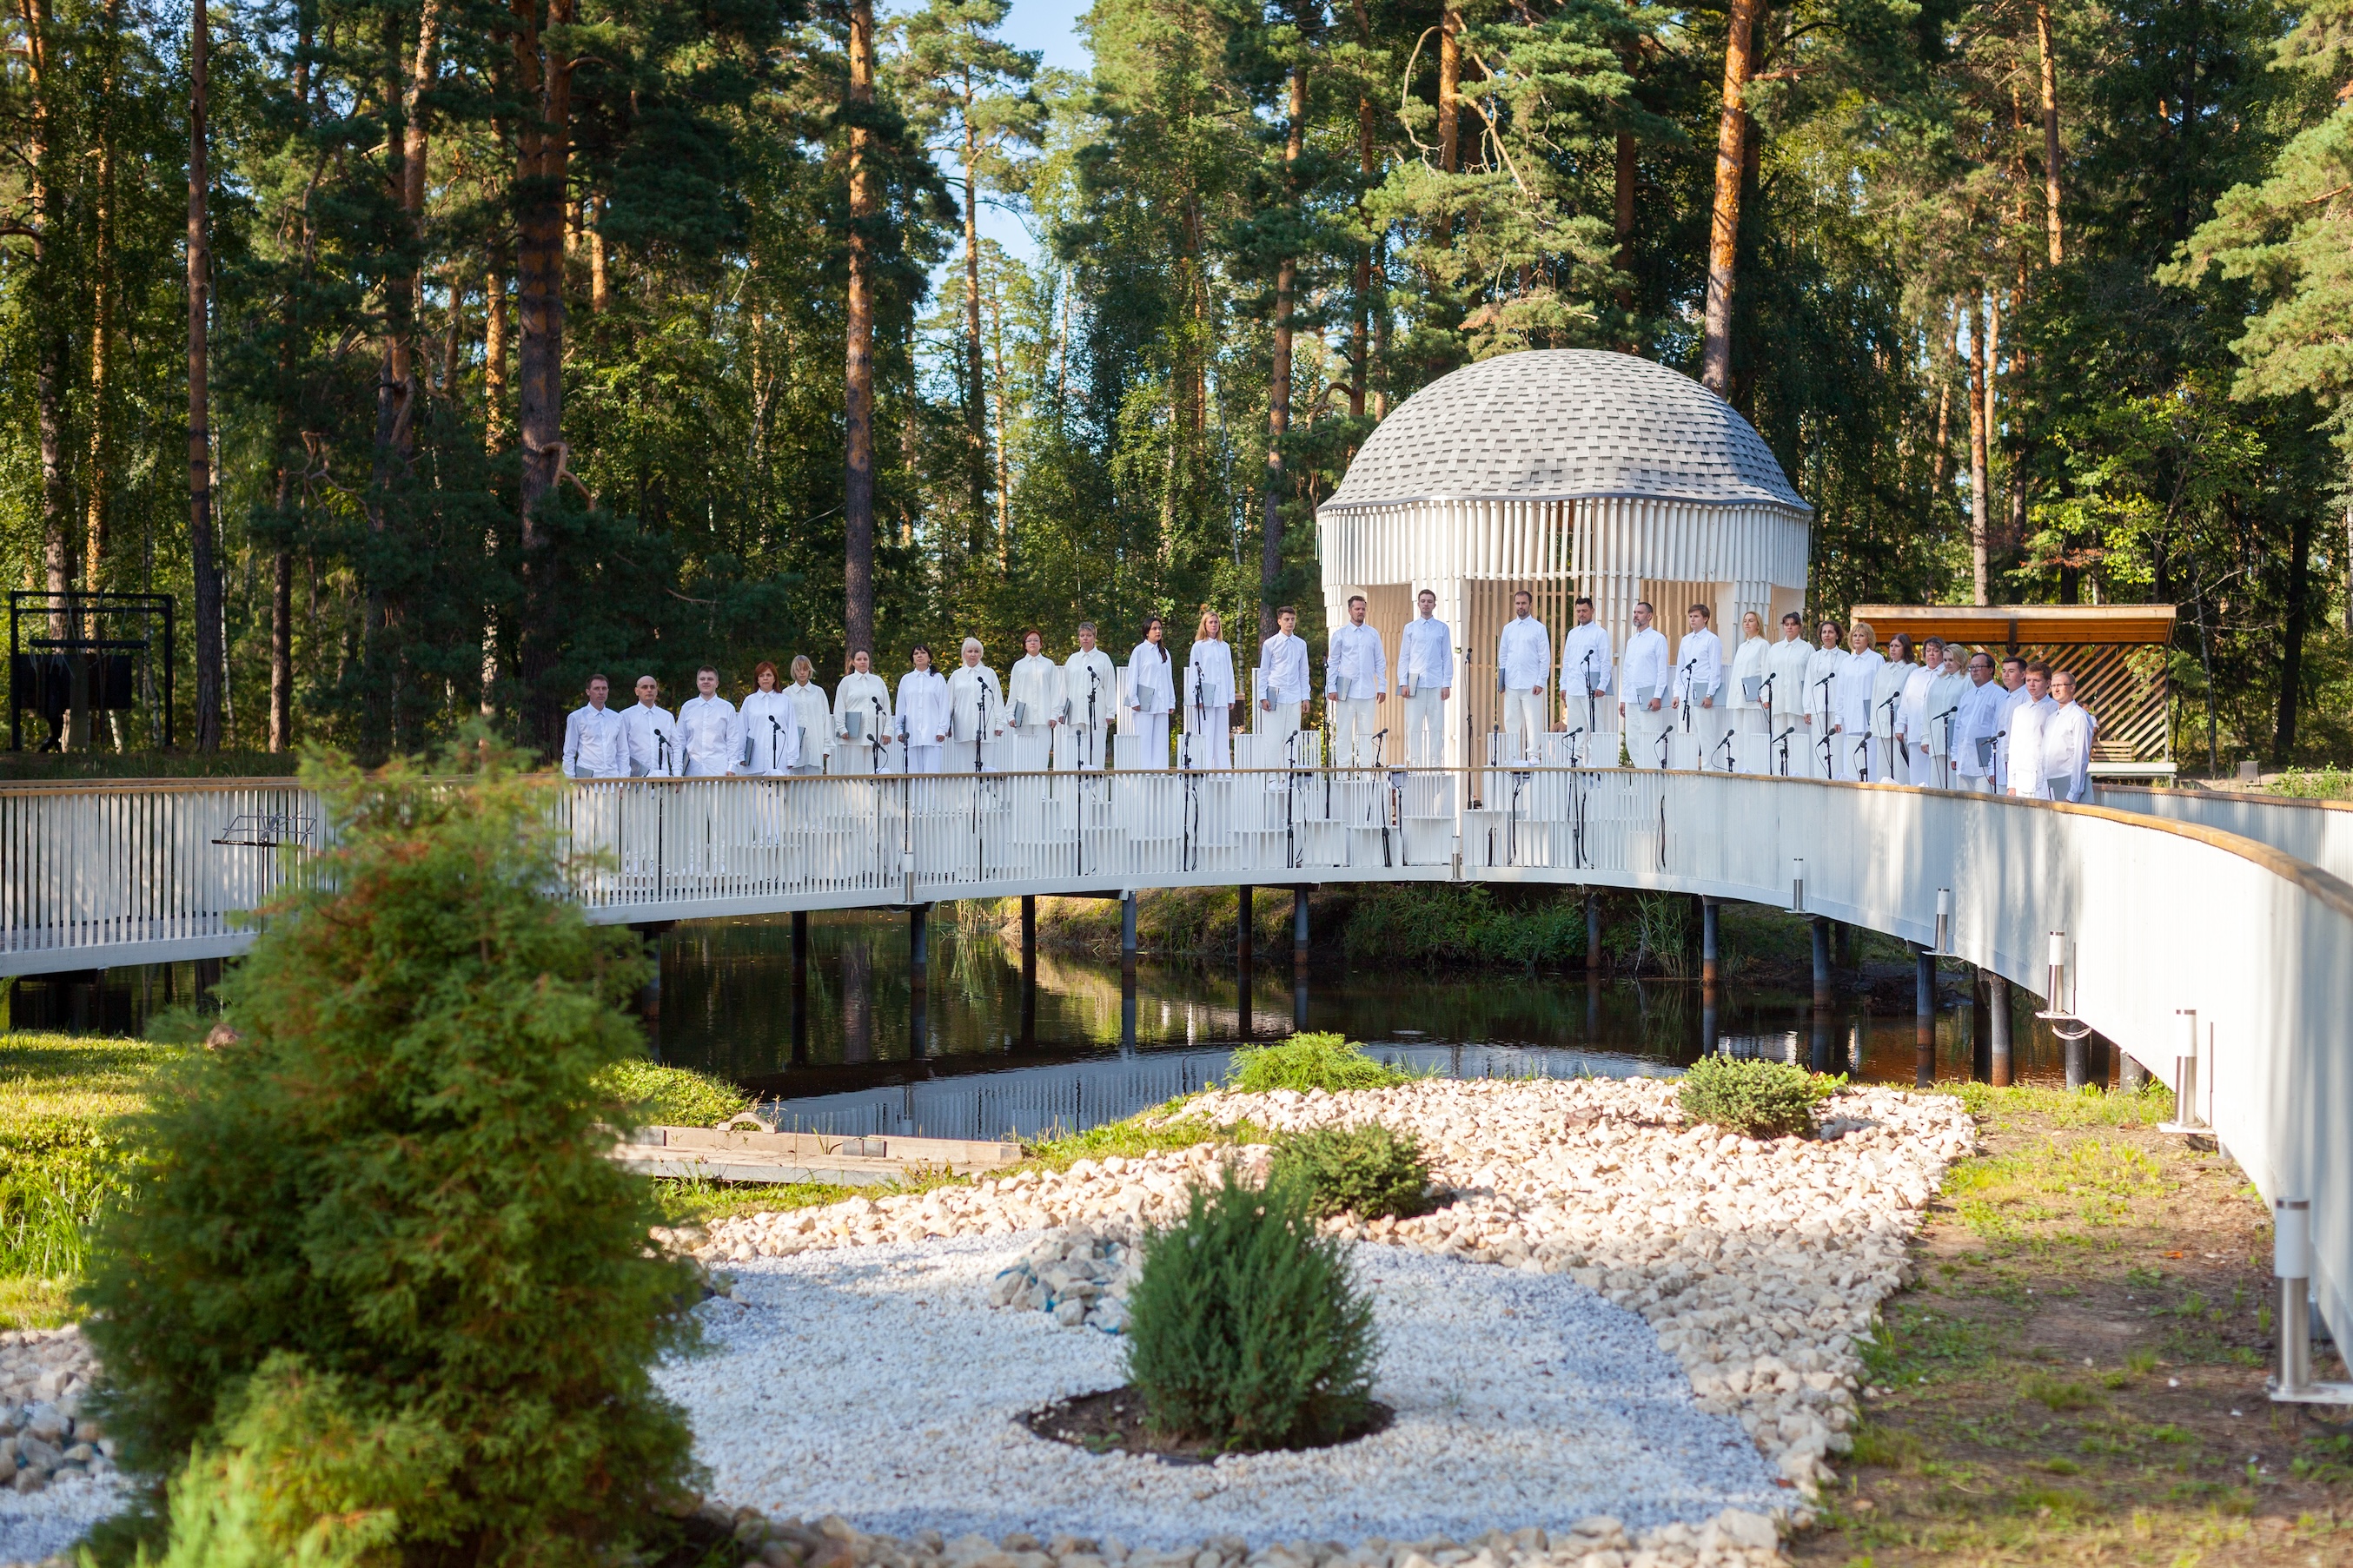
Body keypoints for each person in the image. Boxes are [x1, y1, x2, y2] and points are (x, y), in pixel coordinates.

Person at [1326, 593, 1388, 765]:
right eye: (1357, 608)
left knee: (1366, 732)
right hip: (1346, 691)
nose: (1360, 612)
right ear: (1349, 610)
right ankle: (1343, 770)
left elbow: (1380, 661)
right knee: (1344, 732)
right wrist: (1331, 687)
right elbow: (1333, 662)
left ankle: (1366, 770)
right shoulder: (1340, 634)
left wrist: (1382, 686)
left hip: (1367, 691)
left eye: (1363, 609)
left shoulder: (1373, 634)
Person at [1398, 587, 1455, 765]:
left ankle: (1435, 760)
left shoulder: (1442, 628)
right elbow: (1404, 657)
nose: (1426, 604)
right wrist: (1403, 682)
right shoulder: (1410, 628)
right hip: (1415, 683)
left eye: (1429, 601)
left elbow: (1447, 656)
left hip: (1436, 682)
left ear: (1434, 604)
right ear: (1418, 603)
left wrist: (1447, 683)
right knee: (1414, 724)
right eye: (1423, 601)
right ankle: (1414, 760)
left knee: (1436, 725)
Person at [1559, 596, 1614, 766]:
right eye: (1578, 611)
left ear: (1592, 611)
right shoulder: (1572, 634)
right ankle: (1577, 758)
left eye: (1584, 611)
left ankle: (1598, 761)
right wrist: (1563, 685)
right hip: (1573, 688)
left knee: (1596, 725)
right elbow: (1567, 661)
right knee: (1575, 725)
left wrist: (1602, 685)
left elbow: (1605, 661)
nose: (1581, 614)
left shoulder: (1600, 633)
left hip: (1592, 688)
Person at [1673, 603, 1727, 771]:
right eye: (1690, 616)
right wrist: (1677, 693)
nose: (1692, 620)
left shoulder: (1712, 640)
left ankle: (1710, 769)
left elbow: (1715, 670)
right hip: (1686, 692)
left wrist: (1710, 694)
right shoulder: (1686, 640)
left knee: (1706, 734)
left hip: (1703, 691)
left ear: (1705, 618)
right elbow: (1680, 668)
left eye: (1696, 616)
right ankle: (1687, 768)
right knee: (1686, 733)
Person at [1183, 608, 1236, 769]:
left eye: (1216, 622)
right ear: (1204, 625)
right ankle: (1204, 767)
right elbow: (1194, 673)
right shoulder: (1199, 646)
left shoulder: (1224, 646)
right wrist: (1195, 698)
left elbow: (1229, 671)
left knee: (1221, 735)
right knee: (1206, 733)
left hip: (1221, 696)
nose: (1214, 625)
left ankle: (1223, 770)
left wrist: (1230, 696)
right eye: (1210, 622)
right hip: (1205, 696)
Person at [1620, 600, 1671, 771]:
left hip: (1649, 697)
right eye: (1634, 612)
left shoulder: (1658, 638)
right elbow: (1627, 671)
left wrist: (1657, 696)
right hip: (1632, 697)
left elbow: (1662, 670)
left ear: (1649, 616)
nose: (1635, 615)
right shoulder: (1631, 641)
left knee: (1649, 736)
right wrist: (1623, 699)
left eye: (1640, 612)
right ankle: (1641, 773)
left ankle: (1652, 773)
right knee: (1633, 739)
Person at [1832, 622, 1884, 782]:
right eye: (1855, 635)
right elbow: (1840, 692)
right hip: (1850, 715)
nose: (1857, 638)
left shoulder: (1877, 660)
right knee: (1852, 753)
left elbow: (1880, 689)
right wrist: (1838, 718)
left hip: (1869, 717)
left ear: (1869, 638)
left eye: (1861, 635)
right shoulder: (1847, 662)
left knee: (1870, 753)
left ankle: (1871, 785)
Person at [945, 637, 1006, 772]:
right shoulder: (956, 675)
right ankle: (967, 792)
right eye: (970, 651)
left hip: (987, 726)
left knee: (987, 765)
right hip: (963, 726)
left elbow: (997, 699)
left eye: (976, 651)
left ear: (981, 654)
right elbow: (949, 702)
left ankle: (984, 793)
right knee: (965, 767)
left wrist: (1000, 723)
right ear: (964, 654)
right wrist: (946, 724)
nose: (973, 654)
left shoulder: (989, 673)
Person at [1061, 623, 1117, 770]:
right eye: (1082, 635)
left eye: (1088, 635)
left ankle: (1095, 783)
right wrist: (1061, 710)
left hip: (1096, 712)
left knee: (1096, 749)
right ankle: (1076, 782)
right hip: (1075, 712)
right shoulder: (1072, 659)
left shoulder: (1103, 659)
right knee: (1075, 750)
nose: (1085, 638)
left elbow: (1110, 685)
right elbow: (1065, 687)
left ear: (1094, 637)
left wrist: (1111, 711)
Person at [1765, 612, 1813, 777]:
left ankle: (1798, 772)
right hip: (1778, 701)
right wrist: (1766, 697)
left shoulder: (1807, 649)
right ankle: (1779, 772)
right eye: (1786, 624)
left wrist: (1809, 705)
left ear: (1799, 627)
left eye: (1793, 624)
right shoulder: (1775, 649)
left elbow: (1811, 677)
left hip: (1798, 702)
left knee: (1797, 739)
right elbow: (1767, 673)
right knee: (1778, 738)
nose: (1790, 627)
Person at [1123, 615, 1175, 769]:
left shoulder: (1164, 652)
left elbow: (1168, 678)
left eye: (1159, 628)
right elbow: (1132, 676)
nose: (1158, 631)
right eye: (1154, 628)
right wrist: (1134, 699)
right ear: (1147, 631)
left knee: (1160, 740)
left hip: (1162, 702)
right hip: (1144, 702)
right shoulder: (1139, 651)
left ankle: (1160, 771)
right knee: (1144, 740)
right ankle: (1144, 771)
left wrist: (1171, 701)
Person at [1007, 631, 1064, 770]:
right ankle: (1023, 790)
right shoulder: (1019, 665)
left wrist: (1053, 715)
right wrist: (1010, 714)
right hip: (1023, 718)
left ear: (1041, 644)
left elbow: (1054, 691)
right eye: (1029, 640)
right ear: (1025, 645)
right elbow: (1013, 691)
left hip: (1043, 718)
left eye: (1036, 640)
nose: (1033, 643)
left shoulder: (1048, 664)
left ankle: (1042, 791)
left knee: (1041, 757)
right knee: (1023, 757)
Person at [1256, 605, 1311, 743]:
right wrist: (1263, 697)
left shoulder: (1301, 644)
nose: (1290, 622)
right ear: (1279, 621)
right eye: (1287, 619)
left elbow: (1304, 673)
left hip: (1294, 695)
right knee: (1273, 738)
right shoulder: (1270, 643)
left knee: (1291, 737)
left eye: (1293, 619)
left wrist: (1306, 697)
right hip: (1275, 693)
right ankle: (1272, 765)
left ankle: (1288, 764)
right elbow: (1264, 672)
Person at [1912, 640, 1964, 787]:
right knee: (1937, 782)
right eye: (1946, 660)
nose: (1947, 664)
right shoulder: (1939, 680)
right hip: (1936, 738)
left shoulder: (1966, 680)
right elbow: (1927, 711)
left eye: (1951, 660)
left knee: (1953, 783)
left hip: (1955, 737)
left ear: (1960, 660)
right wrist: (1925, 737)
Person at [2005, 661, 2059, 798]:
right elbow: (2014, 747)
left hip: (2047, 777)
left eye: (2036, 680)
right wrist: (2012, 783)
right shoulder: (2020, 711)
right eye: (2028, 680)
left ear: (2048, 683)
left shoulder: (2055, 709)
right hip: (2023, 777)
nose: (2031, 684)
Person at [1952, 651, 2005, 793]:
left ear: (1990, 669)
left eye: (1978, 667)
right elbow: (1958, 728)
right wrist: (1955, 755)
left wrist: (1994, 766)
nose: (1974, 671)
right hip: (1964, 759)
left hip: (1985, 762)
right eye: (1971, 667)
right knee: (1965, 808)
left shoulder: (2000, 695)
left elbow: (2000, 730)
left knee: (1984, 808)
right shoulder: (1967, 696)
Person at [833, 649, 892, 771]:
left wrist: (887, 730)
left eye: (865, 659)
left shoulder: (878, 681)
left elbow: (886, 706)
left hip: (874, 733)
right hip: (852, 735)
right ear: (853, 662)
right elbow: (839, 707)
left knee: (872, 770)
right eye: (859, 659)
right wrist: (841, 728)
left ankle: (870, 791)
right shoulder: (847, 682)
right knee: (852, 770)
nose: (862, 662)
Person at [739, 661, 801, 776]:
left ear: (774, 679)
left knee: (779, 793)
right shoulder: (749, 701)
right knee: (755, 793)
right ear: (757, 680)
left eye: (768, 675)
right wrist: (741, 755)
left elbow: (792, 730)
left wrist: (792, 757)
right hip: (755, 760)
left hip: (779, 760)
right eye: (761, 676)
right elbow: (742, 729)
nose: (765, 679)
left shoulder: (784, 700)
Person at [2042, 669, 2095, 803]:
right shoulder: (2052, 718)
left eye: (2060, 685)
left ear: (2072, 688)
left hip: (2067, 787)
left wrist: (2073, 794)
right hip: (2046, 786)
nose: (2056, 689)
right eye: (2053, 686)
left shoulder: (2079, 717)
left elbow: (2081, 758)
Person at [896, 645, 951, 774]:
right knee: (913, 774)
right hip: (911, 732)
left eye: (923, 653)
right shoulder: (906, 680)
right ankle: (914, 795)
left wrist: (942, 729)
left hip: (932, 733)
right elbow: (901, 706)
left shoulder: (938, 678)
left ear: (929, 658)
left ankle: (930, 795)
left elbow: (944, 705)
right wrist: (899, 729)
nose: (919, 655)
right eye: (916, 653)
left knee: (931, 774)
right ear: (913, 659)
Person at [676, 666, 739, 777]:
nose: (706, 682)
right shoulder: (687, 707)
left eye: (710, 679)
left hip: (720, 770)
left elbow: (733, 740)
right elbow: (680, 740)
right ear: (697, 683)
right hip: (692, 770)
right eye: (702, 679)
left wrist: (732, 766)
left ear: (717, 683)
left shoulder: (727, 708)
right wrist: (677, 770)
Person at [562, 674, 628, 779]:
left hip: (612, 780)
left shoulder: (617, 718)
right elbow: (569, 752)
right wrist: (572, 782)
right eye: (597, 689)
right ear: (588, 691)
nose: (601, 692)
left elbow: (623, 752)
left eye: (604, 688)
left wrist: (623, 781)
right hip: (587, 781)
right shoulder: (577, 717)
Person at [1728, 611, 1771, 774]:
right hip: (1740, 697)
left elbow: (1766, 671)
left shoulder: (1763, 645)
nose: (1747, 623)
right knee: (1739, 735)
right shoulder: (1742, 646)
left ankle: (1757, 769)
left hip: (1755, 697)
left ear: (1758, 624)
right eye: (1745, 620)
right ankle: (1741, 767)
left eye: (1751, 620)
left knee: (1754, 734)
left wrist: (1765, 695)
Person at [1869, 633, 1914, 784]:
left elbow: (1911, 698)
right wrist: (1873, 723)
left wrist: (1905, 722)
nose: (1893, 649)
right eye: (1891, 646)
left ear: (1905, 648)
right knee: (1883, 768)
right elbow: (1875, 696)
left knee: (1900, 768)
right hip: (1881, 724)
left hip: (1899, 726)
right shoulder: (1884, 669)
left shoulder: (1911, 668)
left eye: (1897, 646)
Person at [1803, 622, 1845, 780]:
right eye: (1824, 632)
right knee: (1819, 744)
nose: (1827, 635)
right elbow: (1809, 683)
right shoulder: (1814, 657)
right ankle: (1820, 778)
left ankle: (1837, 779)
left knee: (1837, 746)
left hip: (1837, 707)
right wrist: (1807, 708)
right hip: (1817, 707)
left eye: (1831, 632)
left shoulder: (1845, 657)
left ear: (1837, 635)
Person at [783, 657, 832, 775]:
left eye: (805, 669)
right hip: (793, 749)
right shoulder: (786, 694)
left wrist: (827, 747)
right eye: (799, 669)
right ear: (794, 671)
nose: (802, 672)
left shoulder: (818, 692)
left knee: (814, 788)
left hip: (815, 746)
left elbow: (826, 720)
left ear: (809, 670)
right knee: (794, 787)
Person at [625, 675, 678, 777]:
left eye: (652, 687)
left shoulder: (667, 716)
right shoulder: (626, 716)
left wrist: (677, 775)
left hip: (663, 779)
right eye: (644, 687)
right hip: (635, 779)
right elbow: (621, 751)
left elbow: (675, 747)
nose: (649, 690)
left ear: (656, 691)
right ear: (636, 691)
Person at [1993, 655, 2032, 792]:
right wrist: (1993, 766)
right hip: (2000, 762)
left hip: (2019, 763)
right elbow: (1995, 731)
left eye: (2011, 671)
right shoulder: (2002, 699)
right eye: (2004, 671)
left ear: (2023, 675)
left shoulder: (2028, 699)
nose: (2006, 675)